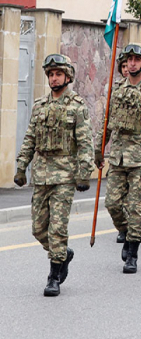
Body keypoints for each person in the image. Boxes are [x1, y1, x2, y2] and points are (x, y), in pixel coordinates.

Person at [15, 54, 94, 296]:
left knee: (57, 228)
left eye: (58, 74)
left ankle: (54, 276)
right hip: (41, 175)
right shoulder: (40, 106)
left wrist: (84, 174)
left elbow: (85, 143)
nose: (54, 78)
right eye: (50, 74)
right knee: (38, 229)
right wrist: (21, 166)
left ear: (67, 77)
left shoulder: (77, 106)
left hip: (64, 177)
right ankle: (64, 254)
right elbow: (30, 138)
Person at [96, 43, 141, 274]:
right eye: (129, 60)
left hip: (140, 159)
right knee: (112, 203)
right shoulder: (117, 90)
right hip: (117, 157)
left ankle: (133, 253)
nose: (132, 63)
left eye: (136, 60)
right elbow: (107, 123)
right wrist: (99, 149)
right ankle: (126, 232)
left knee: (134, 205)